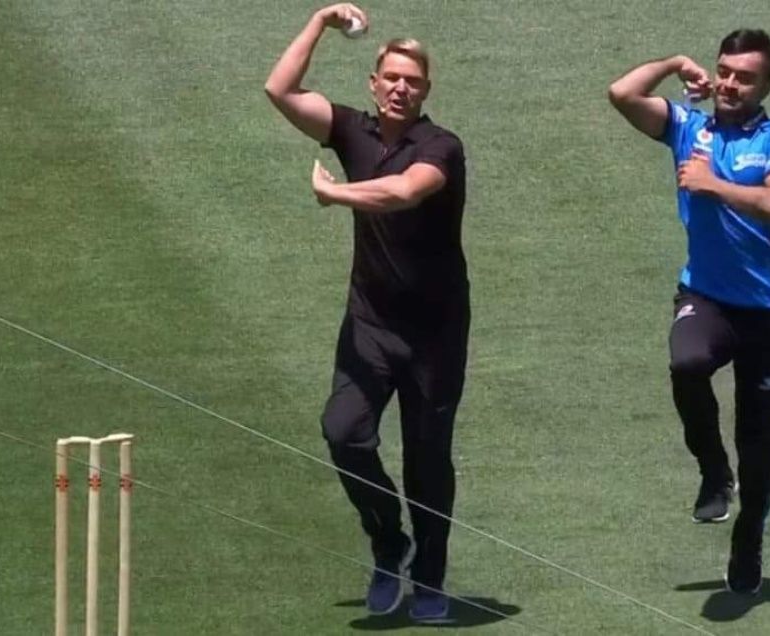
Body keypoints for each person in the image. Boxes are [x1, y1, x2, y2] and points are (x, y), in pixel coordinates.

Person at [264, 3, 468, 622]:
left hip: (435, 333)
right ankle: (389, 541)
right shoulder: (352, 129)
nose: (402, 88)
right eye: (392, 79)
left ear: (425, 91)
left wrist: (334, 193)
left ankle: (430, 578)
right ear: (373, 85)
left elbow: (403, 192)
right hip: (370, 326)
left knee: (427, 461)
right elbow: (280, 89)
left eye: (414, 82)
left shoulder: (441, 146)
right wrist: (321, 22)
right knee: (343, 433)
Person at [608, 29, 770, 594]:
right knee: (688, 363)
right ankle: (713, 473)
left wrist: (713, 184)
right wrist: (672, 61)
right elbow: (621, 94)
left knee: (758, 437)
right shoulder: (687, 127)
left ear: (766, 84)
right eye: (725, 70)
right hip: (707, 297)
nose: (731, 83)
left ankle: (749, 537)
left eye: (745, 76)